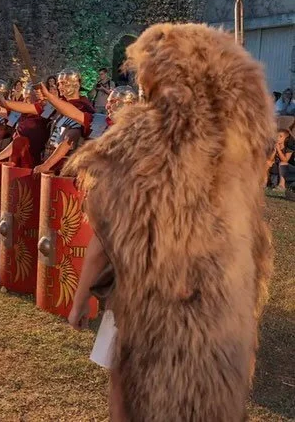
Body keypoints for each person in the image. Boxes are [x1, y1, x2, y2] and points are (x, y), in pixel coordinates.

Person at [63, 23, 274, 421]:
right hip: (222, 308)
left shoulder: (143, 140)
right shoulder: (238, 145)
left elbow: (104, 224)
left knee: (136, 391)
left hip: (157, 307)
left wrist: (82, 297)